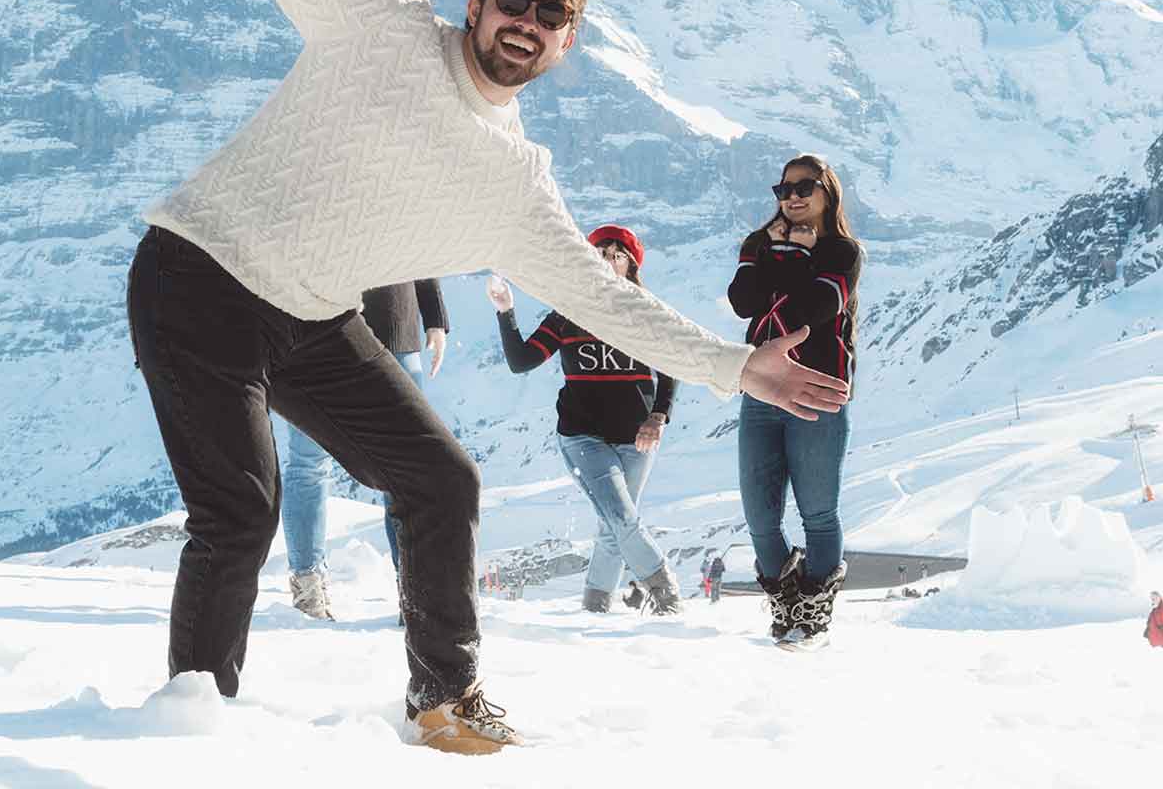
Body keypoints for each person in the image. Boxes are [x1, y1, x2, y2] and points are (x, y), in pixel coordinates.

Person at [96, 0, 845, 755]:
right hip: (199, 273)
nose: (526, 20)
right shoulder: (380, 24)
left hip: (306, 314)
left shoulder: (518, 182)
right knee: (243, 512)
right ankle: (188, 731)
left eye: (550, 12)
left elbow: (600, 299)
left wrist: (736, 368)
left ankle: (444, 695)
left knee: (441, 476)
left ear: (567, 41)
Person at [487, 226, 681, 616]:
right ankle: (664, 589)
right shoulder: (567, 313)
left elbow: (673, 366)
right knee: (622, 516)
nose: (607, 260)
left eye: (616, 254)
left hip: (637, 437)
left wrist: (659, 416)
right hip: (582, 435)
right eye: (600, 253)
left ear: (631, 265)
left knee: (613, 526)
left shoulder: (647, 314)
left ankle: (595, 607)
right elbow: (521, 361)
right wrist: (506, 311)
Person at [727, 154, 863, 649]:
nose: (793, 197)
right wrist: (787, 256)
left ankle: (811, 613)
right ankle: (786, 603)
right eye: (783, 189)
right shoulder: (756, 245)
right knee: (760, 517)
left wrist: (793, 262)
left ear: (828, 191)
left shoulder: (844, 252)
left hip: (819, 391)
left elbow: (817, 309)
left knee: (818, 511)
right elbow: (744, 301)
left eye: (805, 186)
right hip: (761, 392)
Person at [280, 279, 449, 621]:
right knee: (308, 463)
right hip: (311, 322)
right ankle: (308, 586)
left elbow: (420, 228)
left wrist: (434, 315)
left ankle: (414, 589)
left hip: (393, 320)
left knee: (405, 468)